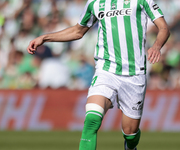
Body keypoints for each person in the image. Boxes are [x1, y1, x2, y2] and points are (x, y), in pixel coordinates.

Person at [27, 0, 170, 149]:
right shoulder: (95, 3)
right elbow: (78, 31)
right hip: (106, 70)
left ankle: (131, 146)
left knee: (130, 133)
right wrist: (45, 38)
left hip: (134, 74)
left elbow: (164, 27)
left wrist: (156, 46)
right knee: (92, 119)